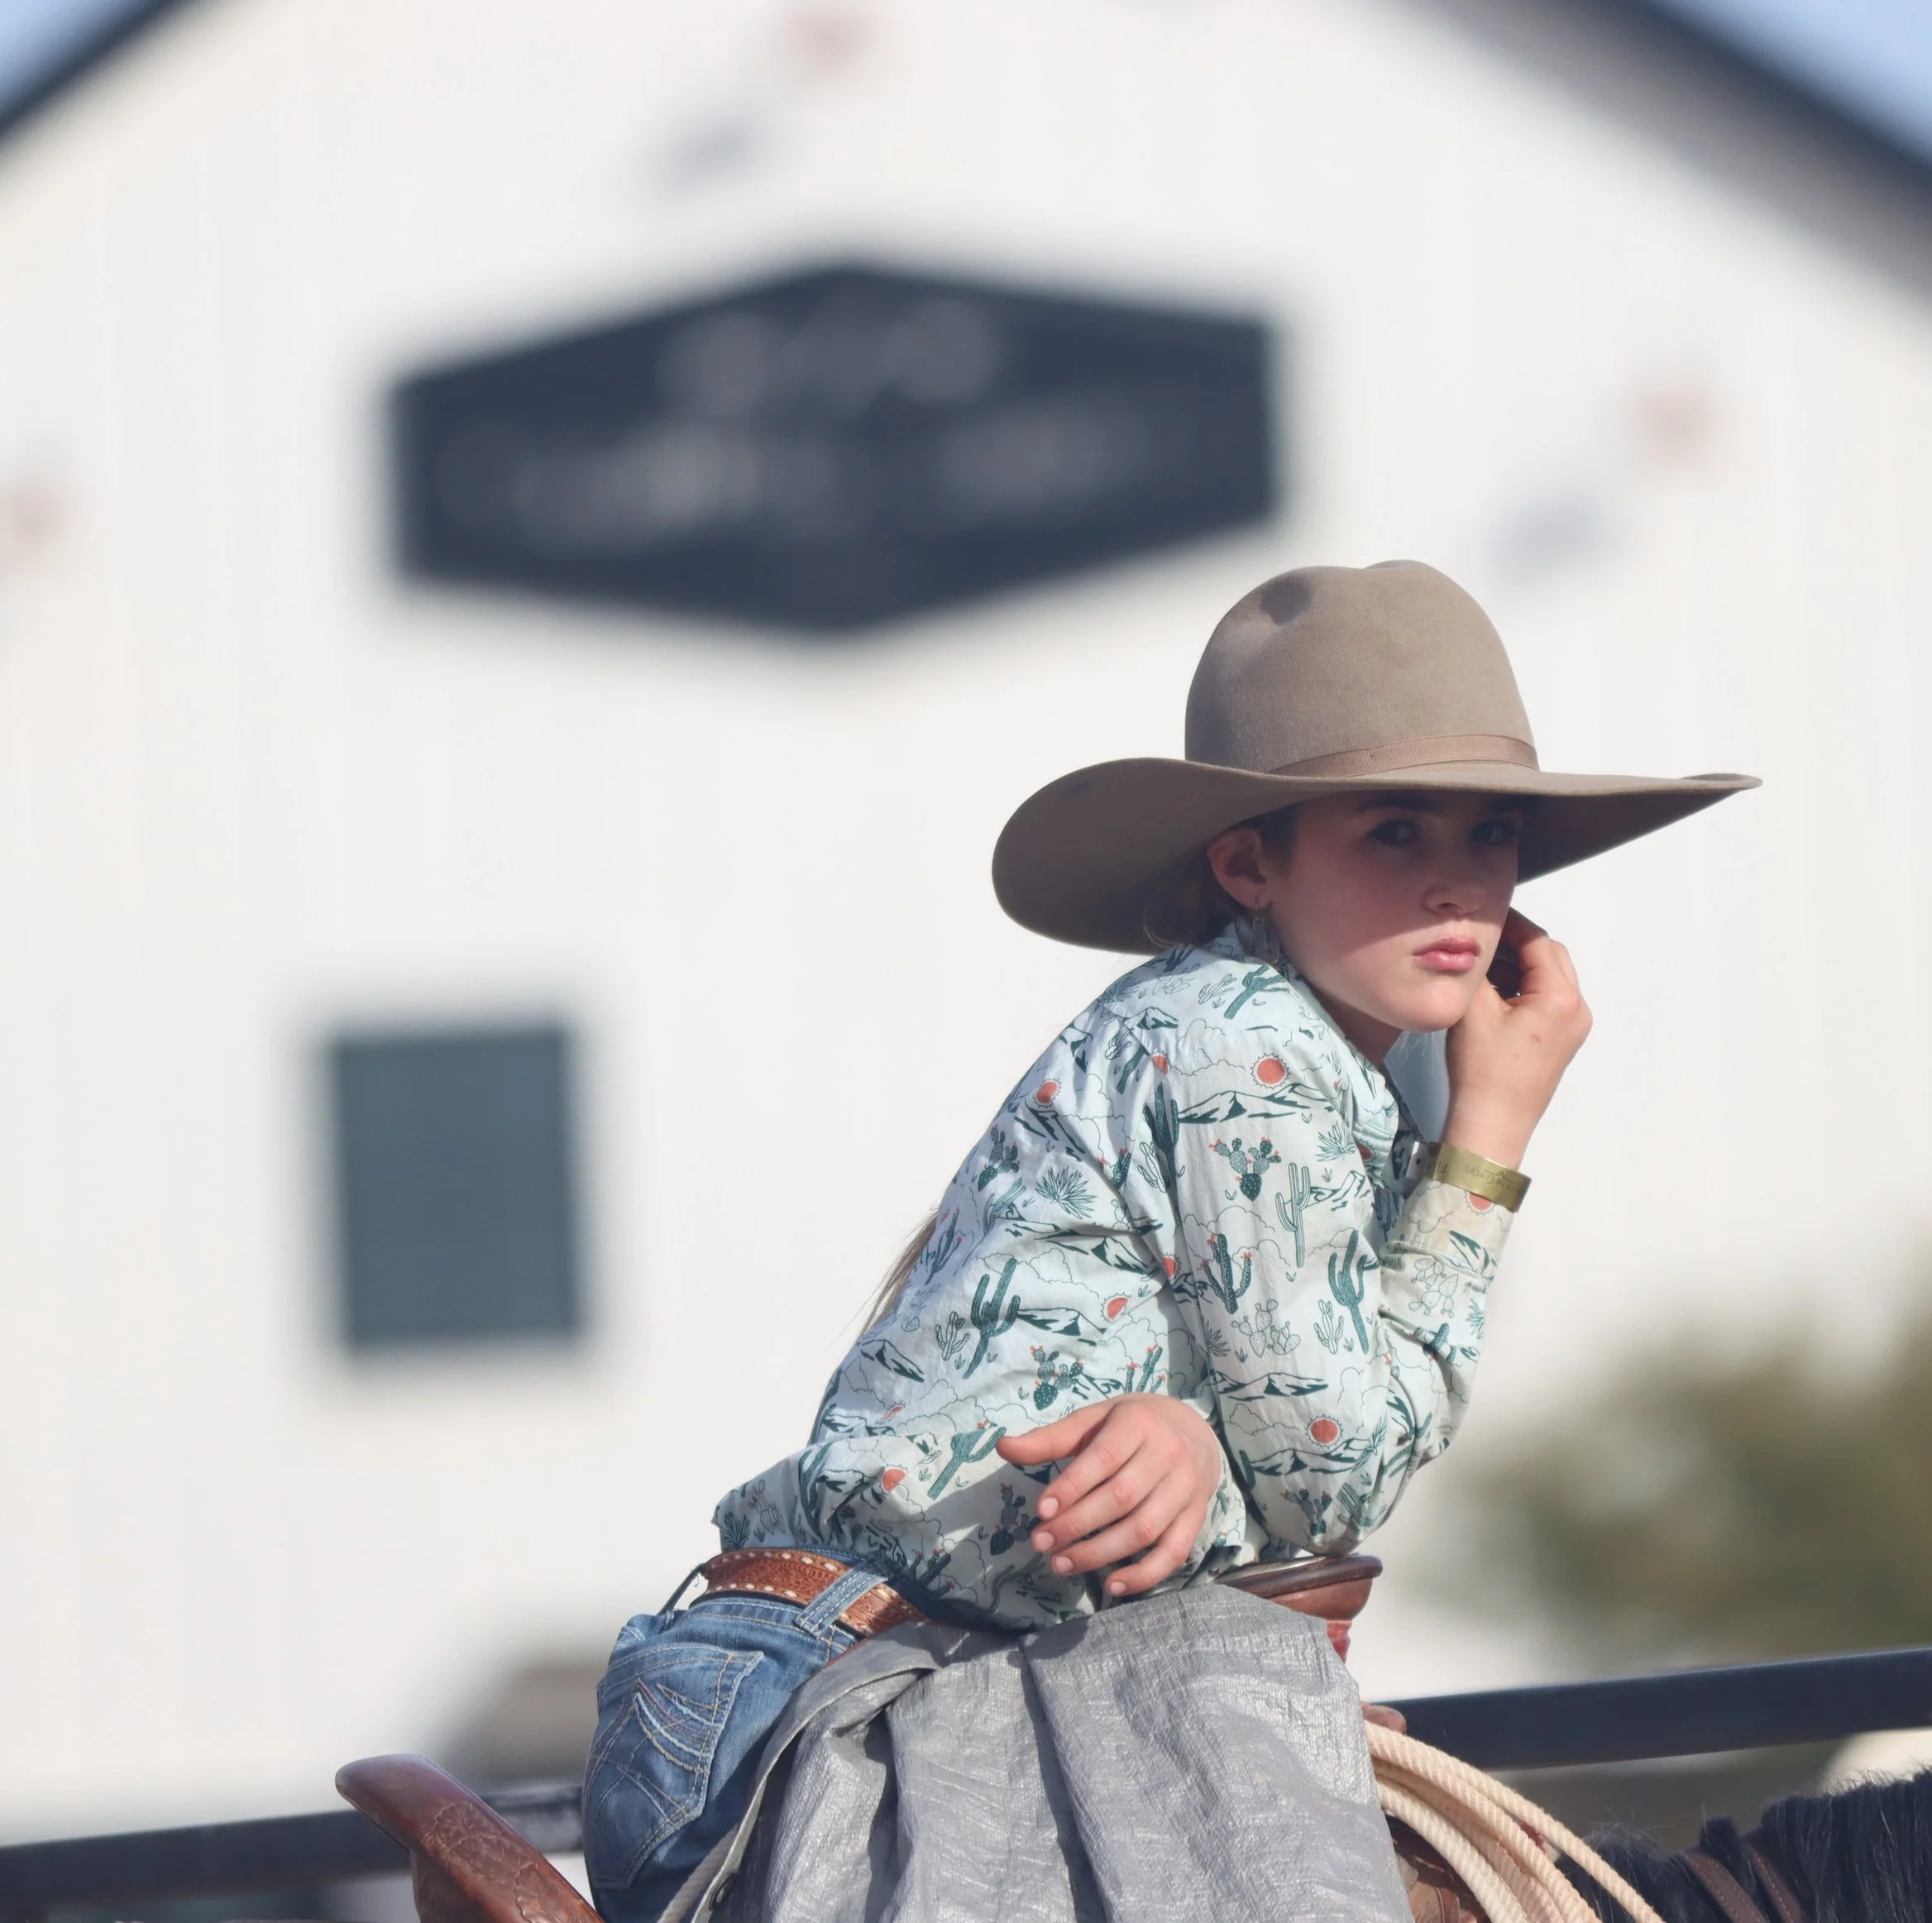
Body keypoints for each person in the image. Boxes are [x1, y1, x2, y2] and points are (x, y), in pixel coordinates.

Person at [581, 561, 1755, 1923]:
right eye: (1392, 831)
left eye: (1492, 836)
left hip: (807, 1678)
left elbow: (1291, 1456)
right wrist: (1486, 1147)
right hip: (846, 1709)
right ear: (1251, 860)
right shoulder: (1245, 1050)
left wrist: (1202, 1452)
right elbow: (1335, 1475)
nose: (1456, 881)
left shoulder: (1262, 1045)